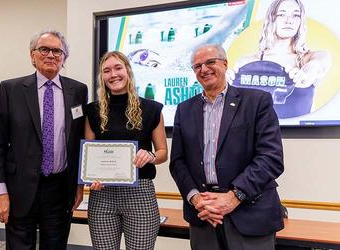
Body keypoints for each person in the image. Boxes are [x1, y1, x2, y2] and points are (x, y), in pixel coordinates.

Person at [170, 44, 284, 250]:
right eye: (197, 66)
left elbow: (270, 158)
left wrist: (234, 196)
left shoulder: (257, 102)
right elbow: (178, 162)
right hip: (203, 215)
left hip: (249, 212)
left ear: (225, 63)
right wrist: (196, 199)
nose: (203, 69)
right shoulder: (184, 109)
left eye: (210, 62)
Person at [0, 30, 88, 249]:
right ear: (32, 55)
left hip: (60, 189)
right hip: (19, 189)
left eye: (57, 51)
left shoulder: (78, 91)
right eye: (44, 49)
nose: (51, 55)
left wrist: (79, 186)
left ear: (64, 58)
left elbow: (80, 143)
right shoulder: (10, 89)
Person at [85, 51, 168, 250]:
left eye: (118, 68)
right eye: (106, 70)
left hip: (140, 193)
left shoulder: (151, 109)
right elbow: (88, 154)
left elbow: (163, 152)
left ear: (128, 71)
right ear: (102, 77)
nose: (113, 74)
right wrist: (90, 177)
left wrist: (150, 156)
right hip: (102, 195)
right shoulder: (93, 111)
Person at [227, 0, 331, 118]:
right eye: (281, 14)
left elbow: (316, 66)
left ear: (301, 21)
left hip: (299, 135)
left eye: (296, 15)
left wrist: (305, 74)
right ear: (271, 19)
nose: (289, 20)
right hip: (256, 135)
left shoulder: (313, 57)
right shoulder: (246, 63)